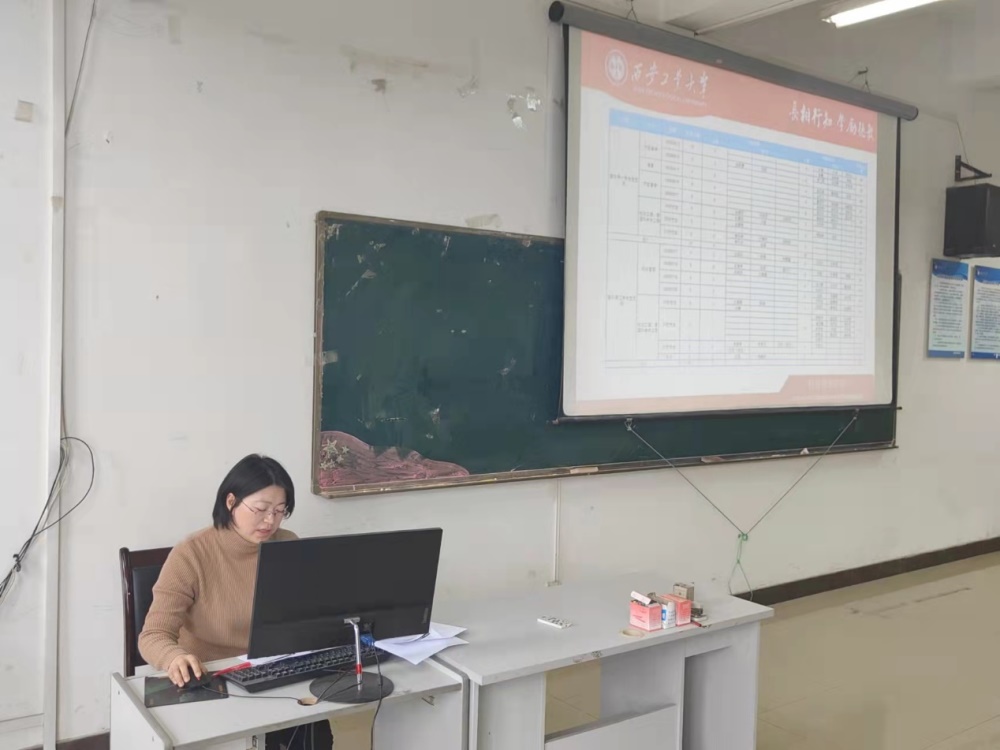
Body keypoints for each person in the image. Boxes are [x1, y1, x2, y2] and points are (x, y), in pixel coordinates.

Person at [139, 454, 333, 750]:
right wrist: (174, 657)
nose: (270, 521)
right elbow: (153, 635)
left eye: (279, 511)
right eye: (260, 509)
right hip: (215, 680)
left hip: (276, 673)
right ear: (231, 502)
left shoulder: (288, 544)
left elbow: (307, 613)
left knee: (315, 736)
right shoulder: (192, 553)